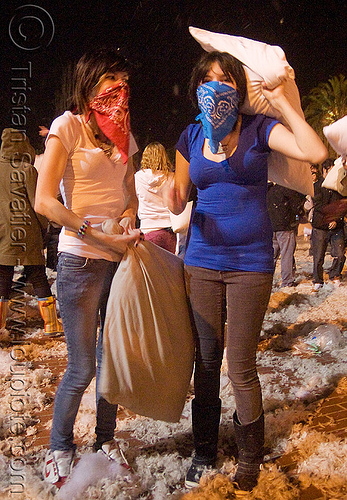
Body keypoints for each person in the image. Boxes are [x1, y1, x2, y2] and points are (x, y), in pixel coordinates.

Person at [167, 50, 327, 493]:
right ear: (198, 86)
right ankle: (203, 451)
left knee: (240, 364)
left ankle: (250, 455)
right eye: (210, 79)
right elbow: (180, 197)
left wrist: (284, 104)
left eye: (227, 80)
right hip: (201, 261)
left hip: (251, 264)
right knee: (206, 361)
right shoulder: (190, 135)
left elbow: (314, 151)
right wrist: (171, 197)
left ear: (240, 89)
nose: (218, 87)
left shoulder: (259, 129)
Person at [34, 47, 142, 489]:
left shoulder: (122, 132)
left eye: (123, 83)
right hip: (79, 259)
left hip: (118, 262)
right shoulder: (67, 126)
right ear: (88, 85)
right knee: (82, 367)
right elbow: (44, 201)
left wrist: (131, 216)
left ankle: (105, 439)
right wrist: (94, 232)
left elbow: (130, 191)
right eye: (109, 82)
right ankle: (59, 447)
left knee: (110, 361)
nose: (118, 91)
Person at [0, 128, 63, 337]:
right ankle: (51, 325)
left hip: (3, 233)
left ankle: (1, 327)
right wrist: (45, 226)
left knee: (3, 277)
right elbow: (38, 203)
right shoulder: (27, 170)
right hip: (27, 232)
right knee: (37, 275)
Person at [135, 141, 176, 253]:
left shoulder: (138, 178)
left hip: (147, 231)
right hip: (169, 231)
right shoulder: (172, 178)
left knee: (150, 269)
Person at [311, 158, 346, 290]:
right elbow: (319, 206)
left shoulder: (340, 187)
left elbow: (342, 205)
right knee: (318, 255)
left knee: (340, 253)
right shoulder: (317, 187)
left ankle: (334, 274)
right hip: (321, 226)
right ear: (325, 171)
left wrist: (336, 220)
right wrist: (330, 218)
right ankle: (317, 280)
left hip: (336, 226)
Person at [267, 182, 306, 287]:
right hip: (285, 227)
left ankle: (267, 279)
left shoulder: (268, 190)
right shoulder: (287, 189)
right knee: (286, 255)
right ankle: (287, 281)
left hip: (271, 226)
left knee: (272, 256)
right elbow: (296, 206)